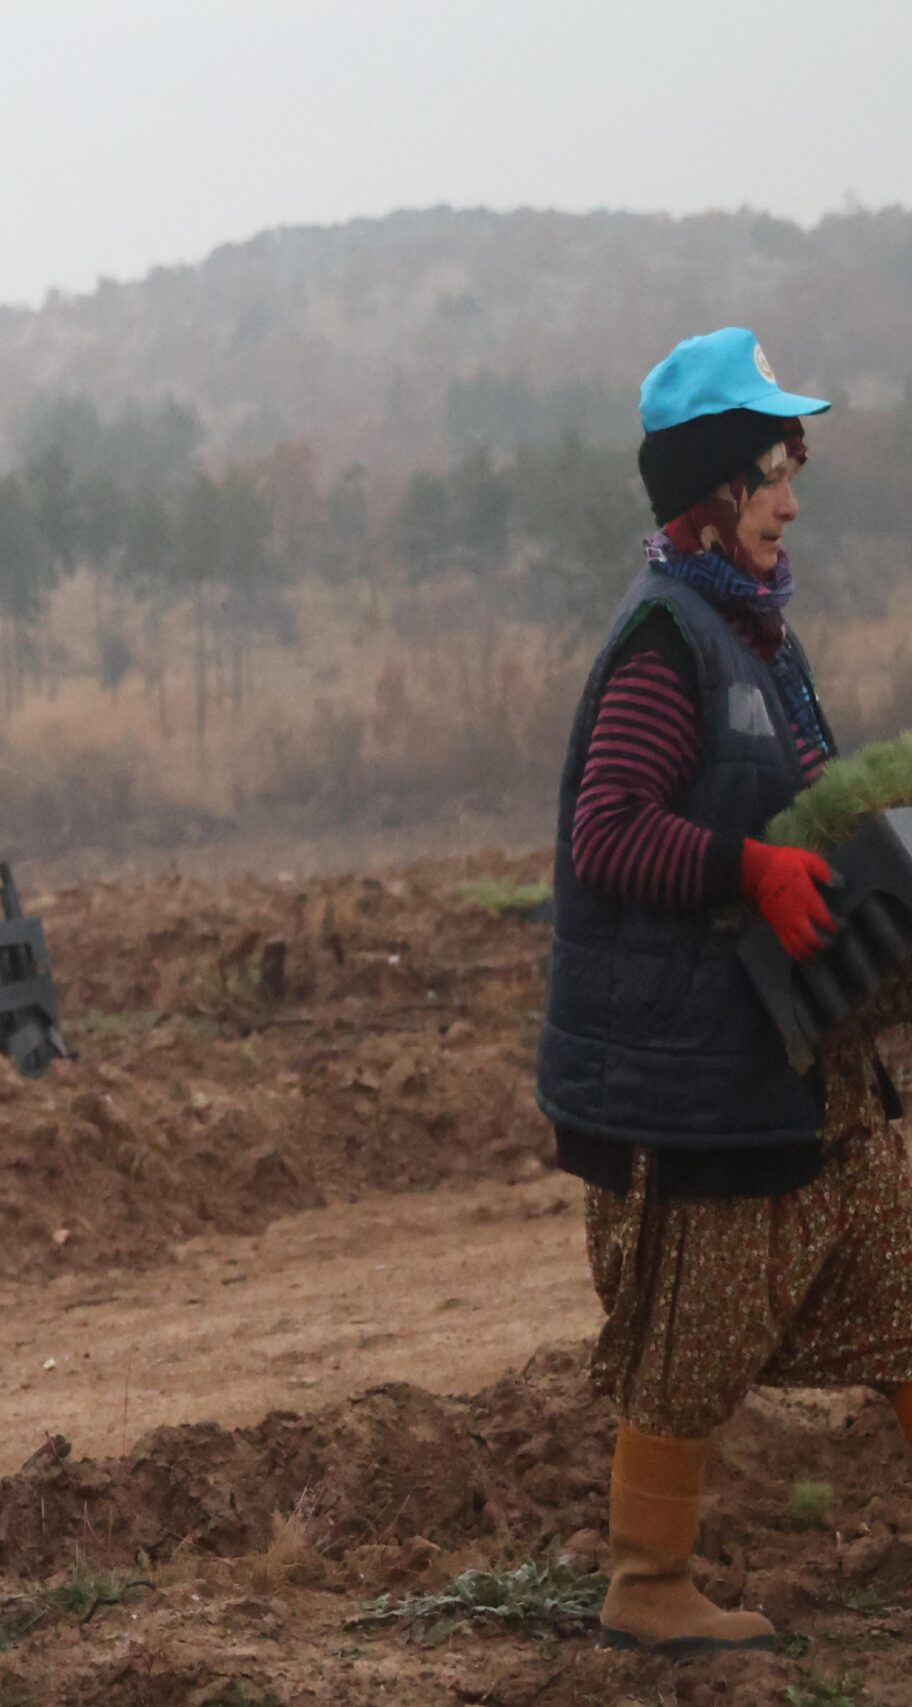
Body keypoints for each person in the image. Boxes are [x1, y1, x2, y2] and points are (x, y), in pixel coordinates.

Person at [537, 328, 912, 1655]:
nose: (790, 496)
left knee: (904, 1255)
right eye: (769, 469)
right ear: (708, 491)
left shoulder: (762, 638)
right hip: (697, 1080)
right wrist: (745, 865)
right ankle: (648, 1582)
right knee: (697, 1329)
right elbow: (608, 830)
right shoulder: (668, 644)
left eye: (792, 464)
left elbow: (806, 808)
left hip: (802, 1055)